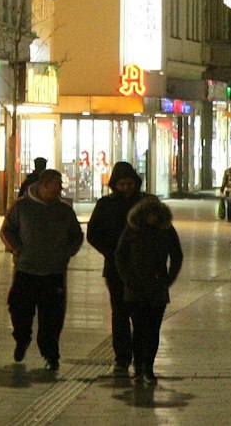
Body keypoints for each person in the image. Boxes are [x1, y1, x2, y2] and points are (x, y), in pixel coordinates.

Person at [0, 167, 84, 370]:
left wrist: (67, 253)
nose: (60, 189)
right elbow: (7, 230)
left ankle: (51, 355)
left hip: (53, 272)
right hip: (26, 270)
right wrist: (17, 249)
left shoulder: (63, 210)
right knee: (19, 310)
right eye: (57, 185)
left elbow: (77, 235)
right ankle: (22, 338)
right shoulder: (22, 207)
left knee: (52, 318)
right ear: (44, 185)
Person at [113, 195, 182, 387]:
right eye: (149, 214)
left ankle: (148, 367)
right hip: (135, 288)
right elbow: (120, 254)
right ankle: (139, 367)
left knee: (153, 330)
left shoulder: (166, 230)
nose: (152, 218)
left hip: (157, 288)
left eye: (155, 214)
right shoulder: (132, 229)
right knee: (139, 329)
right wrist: (127, 278)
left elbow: (177, 255)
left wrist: (168, 278)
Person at [85, 161, 143, 376]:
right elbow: (93, 233)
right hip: (115, 268)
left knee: (140, 315)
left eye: (129, 184)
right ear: (115, 184)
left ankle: (141, 357)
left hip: (141, 269)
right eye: (122, 184)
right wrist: (111, 253)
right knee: (120, 313)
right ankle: (122, 358)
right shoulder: (106, 204)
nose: (126, 188)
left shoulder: (145, 203)